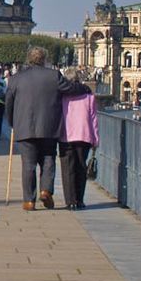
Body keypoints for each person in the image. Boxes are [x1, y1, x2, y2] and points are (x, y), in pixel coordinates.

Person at [5, 47, 89, 210]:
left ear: (28, 59)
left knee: (28, 164)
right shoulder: (53, 76)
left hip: (24, 127)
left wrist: (12, 122)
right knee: (48, 159)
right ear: (44, 59)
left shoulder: (16, 79)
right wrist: (84, 89)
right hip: (49, 127)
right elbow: (71, 89)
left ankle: (29, 200)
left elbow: (9, 103)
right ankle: (46, 190)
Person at [57, 73, 98, 210]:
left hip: (65, 135)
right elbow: (93, 120)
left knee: (67, 168)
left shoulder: (62, 95)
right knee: (81, 167)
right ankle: (80, 200)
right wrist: (95, 138)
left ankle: (70, 201)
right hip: (84, 135)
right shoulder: (88, 96)